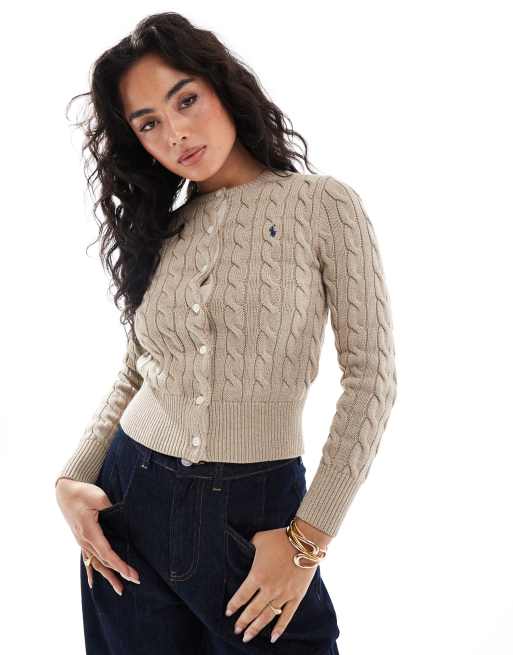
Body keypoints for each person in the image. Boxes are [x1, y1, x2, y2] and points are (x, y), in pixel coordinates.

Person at [54, 11, 397, 655]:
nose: (176, 133)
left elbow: (371, 379)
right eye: (148, 123)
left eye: (185, 100)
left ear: (221, 85)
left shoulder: (323, 205)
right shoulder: (166, 230)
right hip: (128, 503)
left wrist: (307, 540)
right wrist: (72, 480)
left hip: (256, 513)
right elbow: (137, 368)